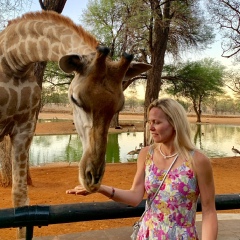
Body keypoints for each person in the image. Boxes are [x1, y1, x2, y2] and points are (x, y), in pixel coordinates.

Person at [66, 98, 218, 240]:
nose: (150, 127)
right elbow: (134, 197)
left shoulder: (198, 161)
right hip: (147, 234)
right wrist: (100, 188)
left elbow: (209, 210)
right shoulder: (146, 154)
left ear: (174, 123)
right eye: (149, 122)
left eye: (156, 122)